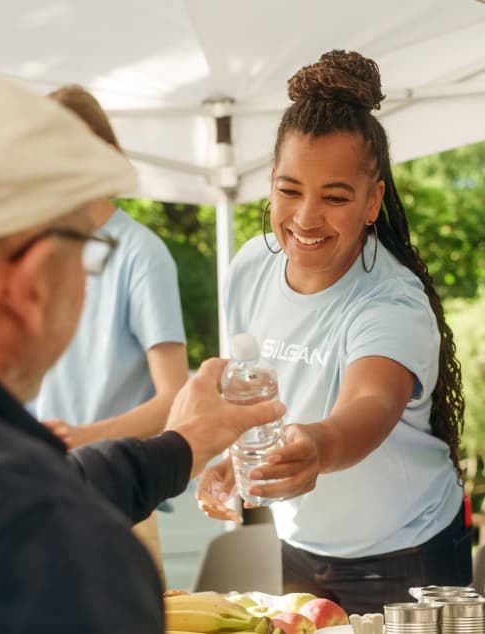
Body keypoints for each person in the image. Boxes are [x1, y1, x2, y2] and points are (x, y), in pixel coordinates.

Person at [0, 56, 286, 633]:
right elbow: (33, 509)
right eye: (86, 253)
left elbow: (63, 482)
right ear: (37, 281)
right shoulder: (54, 555)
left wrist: (183, 443)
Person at [196, 49, 470, 613]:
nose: (306, 218)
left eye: (336, 197)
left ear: (373, 202)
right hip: (299, 545)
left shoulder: (391, 301)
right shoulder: (250, 267)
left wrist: (317, 446)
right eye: (291, 189)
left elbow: (369, 404)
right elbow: (257, 384)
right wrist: (239, 459)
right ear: (270, 183)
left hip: (408, 554)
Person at [35, 86, 189, 575]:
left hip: (121, 504)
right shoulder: (36, 254)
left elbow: (174, 397)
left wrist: (83, 438)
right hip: (40, 497)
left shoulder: (142, 255)